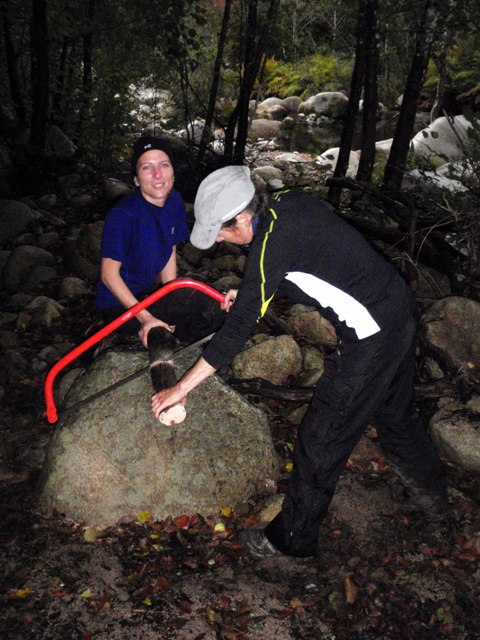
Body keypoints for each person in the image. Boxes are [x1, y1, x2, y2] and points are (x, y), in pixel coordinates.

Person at [150, 165, 450, 559]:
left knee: (323, 434)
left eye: (223, 231)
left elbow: (240, 327)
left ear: (242, 217)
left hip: (371, 336)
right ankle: (432, 497)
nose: (223, 240)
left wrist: (181, 387)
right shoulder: (289, 205)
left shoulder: (268, 247)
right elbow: (314, 259)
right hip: (397, 308)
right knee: (395, 415)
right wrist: (255, 290)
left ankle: (291, 538)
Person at [95, 136, 225, 346]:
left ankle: (180, 340)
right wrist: (146, 317)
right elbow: (109, 276)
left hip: (150, 294)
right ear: (136, 179)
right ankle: (181, 343)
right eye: (147, 167)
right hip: (121, 307)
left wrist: (172, 298)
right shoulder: (123, 215)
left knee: (212, 297)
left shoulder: (174, 201)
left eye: (164, 165)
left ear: (173, 173)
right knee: (206, 305)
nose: (157, 174)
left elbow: (169, 251)